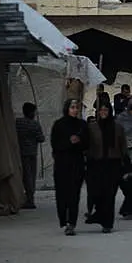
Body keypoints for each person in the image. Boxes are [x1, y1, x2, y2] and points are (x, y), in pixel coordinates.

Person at [85, 103, 128, 233]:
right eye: (101, 110)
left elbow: (123, 146)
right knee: (97, 192)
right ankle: (99, 214)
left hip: (112, 163)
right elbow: (87, 145)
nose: (103, 112)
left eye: (106, 110)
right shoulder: (92, 127)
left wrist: (126, 165)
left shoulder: (117, 127)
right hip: (96, 164)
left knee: (110, 195)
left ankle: (107, 223)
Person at [50, 99, 89, 236]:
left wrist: (79, 142)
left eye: (76, 107)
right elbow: (55, 144)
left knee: (74, 195)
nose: (75, 110)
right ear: (67, 108)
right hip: (61, 165)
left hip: (76, 164)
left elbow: (87, 144)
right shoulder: (59, 125)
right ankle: (64, 220)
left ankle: (71, 223)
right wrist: (68, 142)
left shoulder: (82, 125)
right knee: (62, 195)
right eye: (72, 107)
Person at [16, 102, 45, 210]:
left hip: (20, 153)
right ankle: (30, 199)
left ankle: (24, 197)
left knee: (24, 176)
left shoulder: (17, 123)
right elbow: (41, 138)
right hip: (32, 153)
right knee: (30, 177)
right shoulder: (35, 124)